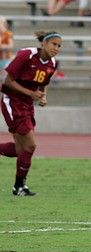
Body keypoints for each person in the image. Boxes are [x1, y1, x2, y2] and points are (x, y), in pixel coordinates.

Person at [0, 29, 62, 196]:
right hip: (12, 101)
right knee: (31, 145)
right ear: (44, 43)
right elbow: (7, 82)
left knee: (22, 151)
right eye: (53, 44)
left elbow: (43, 82)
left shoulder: (53, 63)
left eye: (59, 46)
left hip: (27, 104)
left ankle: (18, 187)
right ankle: (19, 186)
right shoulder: (27, 54)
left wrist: (43, 96)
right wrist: (31, 94)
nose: (56, 48)